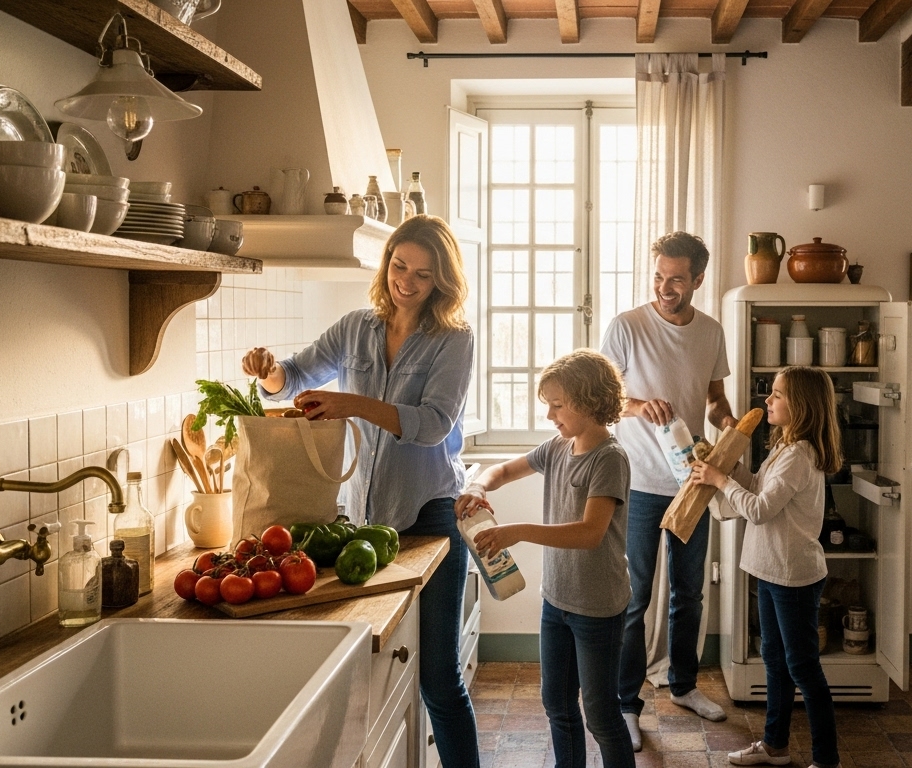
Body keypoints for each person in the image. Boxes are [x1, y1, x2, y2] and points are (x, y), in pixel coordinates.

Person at [240, 215, 479, 766]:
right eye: (400, 266)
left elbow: (434, 423)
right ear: (387, 260)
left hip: (431, 518)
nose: (407, 281)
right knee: (365, 664)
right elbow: (296, 376)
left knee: (439, 679)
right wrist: (269, 370)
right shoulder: (354, 327)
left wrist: (351, 404)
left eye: (423, 274)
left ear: (441, 280)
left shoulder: (453, 339)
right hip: (363, 522)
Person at [457, 349, 635, 768]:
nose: (551, 415)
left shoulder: (609, 459)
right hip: (556, 601)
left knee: (602, 715)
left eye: (558, 405)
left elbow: (590, 533)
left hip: (598, 608)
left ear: (590, 401)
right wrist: (480, 487)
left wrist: (516, 532)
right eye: (548, 405)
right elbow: (500, 470)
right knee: (556, 703)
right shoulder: (558, 447)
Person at [601, 231, 737, 748]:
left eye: (676, 279)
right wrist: (639, 406)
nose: (664, 287)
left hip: (693, 481)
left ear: (698, 279)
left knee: (689, 592)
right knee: (633, 597)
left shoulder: (711, 333)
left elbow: (714, 400)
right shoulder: (627, 327)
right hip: (636, 482)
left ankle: (683, 685)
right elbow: (603, 400)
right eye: (658, 276)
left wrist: (733, 427)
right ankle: (625, 705)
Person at [690, 366, 843, 768]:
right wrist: (725, 465)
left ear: (802, 405)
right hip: (772, 570)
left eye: (777, 395)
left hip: (793, 576)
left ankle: (828, 760)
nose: (767, 400)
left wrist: (721, 481)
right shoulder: (783, 446)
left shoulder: (799, 455)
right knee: (775, 662)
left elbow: (757, 510)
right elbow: (757, 486)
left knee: (804, 670)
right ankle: (775, 747)